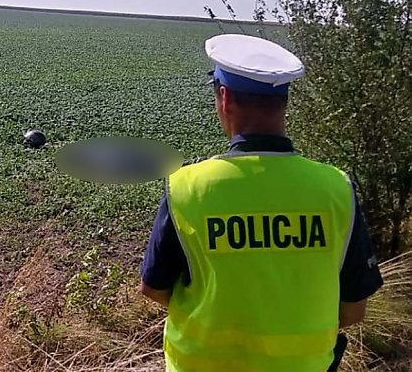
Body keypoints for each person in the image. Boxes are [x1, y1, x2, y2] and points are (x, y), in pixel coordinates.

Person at [139, 34, 383, 371]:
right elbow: (353, 310)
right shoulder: (336, 188)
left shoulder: (187, 187)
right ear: (284, 103)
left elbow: (155, 290)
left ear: (224, 98)